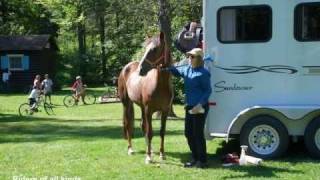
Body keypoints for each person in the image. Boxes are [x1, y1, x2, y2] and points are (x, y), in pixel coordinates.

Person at [162, 48, 212, 168]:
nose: (190, 59)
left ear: (199, 59)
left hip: (200, 107)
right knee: (188, 133)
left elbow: (208, 90)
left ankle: (202, 161)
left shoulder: (203, 73)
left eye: (192, 57)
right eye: (189, 56)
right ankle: (195, 158)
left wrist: (200, 104)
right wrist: (165, 67)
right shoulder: (187, 70)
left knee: (198, 134)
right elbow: (176, 72)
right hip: (189, 106)